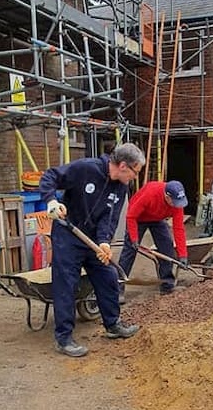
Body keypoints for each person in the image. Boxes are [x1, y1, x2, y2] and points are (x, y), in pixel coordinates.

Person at [39, 142, 145, 358]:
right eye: (136, 172)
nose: (135, 177)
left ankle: (113, 324)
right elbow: (50, 176)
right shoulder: (86, 168)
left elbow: (110, 217)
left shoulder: (121, 187)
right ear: (123, 166)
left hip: (92, 240)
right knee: (66, 284)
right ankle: (64, 338)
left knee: (107, 276)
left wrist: (104, 242)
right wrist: (50, 201)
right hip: (68, 234)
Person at [118, 180, 189, 297]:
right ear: (167, 197)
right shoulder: (150, 194)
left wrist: (183, 255)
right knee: (129, 251)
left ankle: (167, 285)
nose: (177, 205)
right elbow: (131, 216)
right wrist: (134, 238)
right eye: (175, 202)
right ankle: (118, 288)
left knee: (167, 248)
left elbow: (179, 228)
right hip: (138, 218)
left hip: (157, 219)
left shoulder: (177, 203)